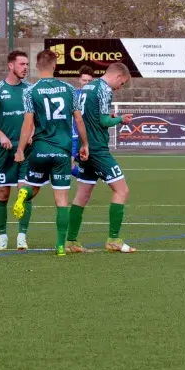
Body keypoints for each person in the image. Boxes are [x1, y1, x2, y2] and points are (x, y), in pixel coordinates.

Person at [12, 49, 85, 257]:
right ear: (55, 65)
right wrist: (84, 144)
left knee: (32, 188)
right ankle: (61, 246)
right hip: (62, 151)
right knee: (62, 200)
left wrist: (20, 149)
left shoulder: (30, 91)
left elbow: (27, 123)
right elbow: (78, 120)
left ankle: (23, 193)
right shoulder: (69, 89)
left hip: (40, 149)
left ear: (36, 66)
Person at [67, 62, 136, 254]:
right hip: (97, 149)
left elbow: (89, 115)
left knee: (83, 194)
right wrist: (121, 119)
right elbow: (104, 121)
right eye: (122, 84)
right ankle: (114, 238)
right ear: (118, 77)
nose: (120, 87)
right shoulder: (104, 89)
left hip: (84, 146)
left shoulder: (88, 87)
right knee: (122, 190)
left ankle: (71, 241)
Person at [0, 50, 32, 250]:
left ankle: (22, 236)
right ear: (11, 66)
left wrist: (33, 131)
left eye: (27, 64)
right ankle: (2, 236)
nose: (25, 68)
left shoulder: (30, 89)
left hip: (26, 149)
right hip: (5, 151)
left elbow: (36, 115)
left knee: (24, 192)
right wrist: (0, 135)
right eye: (22, 64)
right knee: (2, 194)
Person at [71, 64, 95, 167]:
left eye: (89, 81)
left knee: (85, 167)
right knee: (68, 166)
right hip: (74, 136)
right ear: (79, 80)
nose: (87, 83)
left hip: (87, 137)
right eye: (84, 80)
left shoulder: (95, 97)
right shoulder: (74, 95)